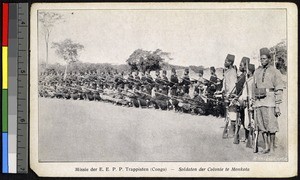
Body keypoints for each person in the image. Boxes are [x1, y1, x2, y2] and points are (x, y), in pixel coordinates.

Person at [252, 47, 283, 154]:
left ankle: (272, 147)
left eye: (264, 58)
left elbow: (279, 88)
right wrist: (253, 101)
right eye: (261, 59)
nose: (262, 61)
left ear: (269, 59)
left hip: (270, 101)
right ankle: (266, 146)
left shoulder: (275, 72)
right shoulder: (256, 72)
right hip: (259, 101)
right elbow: (253, 87)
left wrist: (277, 104)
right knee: (261, 125)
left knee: (271, 125)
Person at [219, 54, 238, 142]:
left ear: (230, 62)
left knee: (232, 113)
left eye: (226, 61)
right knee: (227, 114)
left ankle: (233, 133)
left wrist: (230, 94)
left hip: (231, 95)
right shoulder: (226, 72)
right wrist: (221, 91)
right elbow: (225, 83)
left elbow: (233, 85)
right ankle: (228, 131)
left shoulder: (233, 72)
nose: (224, 62)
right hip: (226, 95)